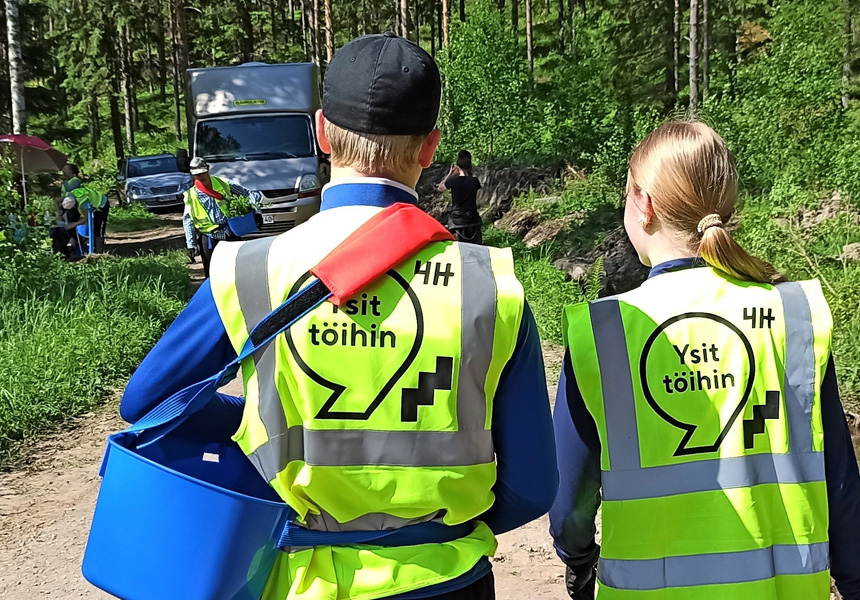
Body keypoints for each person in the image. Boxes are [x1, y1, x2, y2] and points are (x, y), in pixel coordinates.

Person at [121, 32, 558, 600]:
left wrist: (253, 420)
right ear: (431, 148)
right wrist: (434, 533)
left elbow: (148, 405)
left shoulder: (252, 268)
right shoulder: (490, 285)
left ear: (323, 133)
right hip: (448, 580)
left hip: (298, 578)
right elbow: (532, 485)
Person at [548, 121, 860, 600]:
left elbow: (569, 504)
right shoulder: (791, 314)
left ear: (644, 206)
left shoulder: (604, 333)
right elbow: (840, 481)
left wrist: (578, 557)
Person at [182, 156, 262, 276]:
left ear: (208, 170)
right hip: (209, 238)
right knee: (213, 275)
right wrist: (191, 244)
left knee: (238, 271)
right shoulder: (190, 195)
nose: (201, 177)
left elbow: (249, 194)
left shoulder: (224, 183)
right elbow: (188, 221)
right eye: (197, 175)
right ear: (193, 175)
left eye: (203, 173)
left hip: (230, 232)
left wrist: (257, 212)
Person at [436, 150, 483, 244]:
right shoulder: (474, 181)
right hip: (472, 220)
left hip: (457, 221)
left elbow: (440, 188)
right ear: (470, 165)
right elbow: (478, 196)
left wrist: (450, 174)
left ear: (458, 166)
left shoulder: (453, 181)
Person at [63, 184, 110, 253]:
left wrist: (73, 224)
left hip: (101, 204)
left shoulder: (83, 203)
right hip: (91, 203)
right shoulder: (69, 195)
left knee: (98, 228)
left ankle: (98, 252)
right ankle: (83, 246)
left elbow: (86, 218)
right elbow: (56, 201)